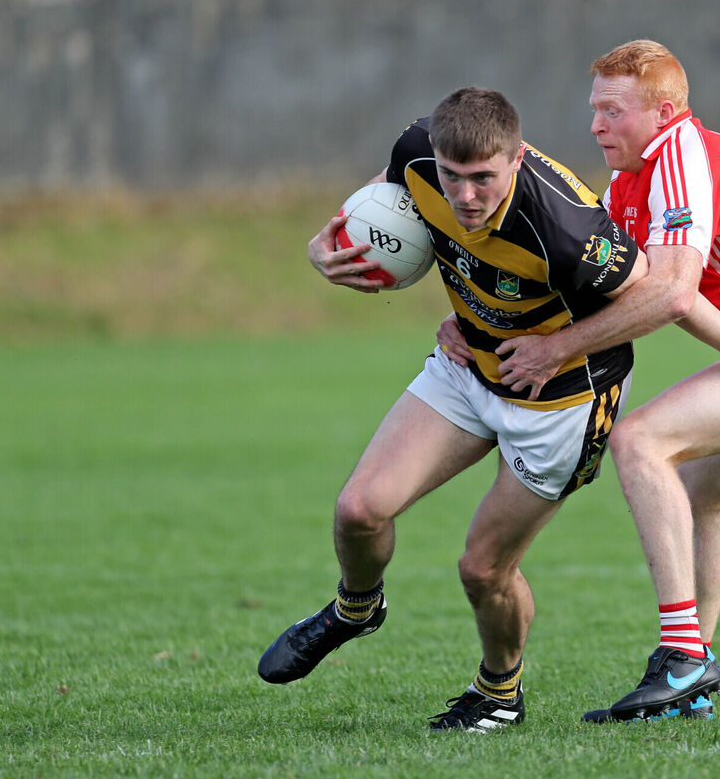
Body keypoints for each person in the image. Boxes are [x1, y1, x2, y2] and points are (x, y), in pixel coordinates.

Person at [437, 40, 720, 722]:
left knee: (640, 441)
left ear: (663, 112)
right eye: (594, 110)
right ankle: (692, 677)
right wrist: (469, 318)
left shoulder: (680, 155)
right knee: (699, 493)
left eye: (612, 111)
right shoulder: (631, 180)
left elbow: (672, 294)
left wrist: (558, 350)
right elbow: (625, 291)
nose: (595, 126)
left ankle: (683, 655)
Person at [257, 87, 648, 732]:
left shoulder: (569, 228)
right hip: (468, 365)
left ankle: (499, 693)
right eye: (452, 177)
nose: (465, 196)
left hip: (564, 402)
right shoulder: (417, 152)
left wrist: (557, 347)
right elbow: (386, 198)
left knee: (483, 568)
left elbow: (656, 298)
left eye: (483, 179)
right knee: (358, 511)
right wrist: (324, 245)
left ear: (517, 159)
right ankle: (357, 608)